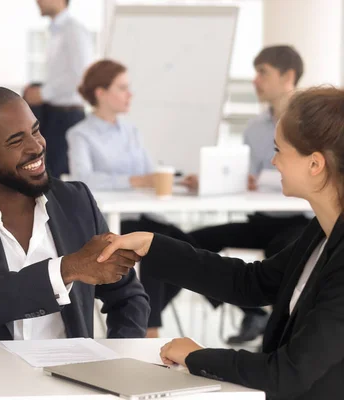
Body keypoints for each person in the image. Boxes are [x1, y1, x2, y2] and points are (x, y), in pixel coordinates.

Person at [99, 87, 344, 400]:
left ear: (315, 164)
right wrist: (154, 244)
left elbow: (287, 373)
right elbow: (250, 282)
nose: (273, 161)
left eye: (279, 150)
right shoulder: (320, 232)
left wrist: (197, 356)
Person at [0, 86, 150, 341]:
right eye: (16, 141)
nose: (36, 146)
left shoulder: (75, 201)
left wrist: (117, 357)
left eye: (35, 130)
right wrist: (67, 269)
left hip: (70, 372)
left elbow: (128, 296)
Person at [184, 45, 310, 344]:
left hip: (298, 222)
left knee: (284, 252)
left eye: (262, 73)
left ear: (288, 76)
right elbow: (247, 178)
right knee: (193, 242)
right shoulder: (254, 128)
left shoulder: (310, 123)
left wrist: (262, 179)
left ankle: (281, 336)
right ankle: (253, 312)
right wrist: (211, 180)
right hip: (260, 220)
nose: (255, 80)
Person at [67, 59, 197, 338]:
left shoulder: (131, 131)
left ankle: (151, 317)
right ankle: (150, 329)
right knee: (151, 249)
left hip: (141, 214)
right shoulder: (80, 135)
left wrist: (176, 179)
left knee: (184, 245)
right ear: (101, 93)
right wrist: (133, 181)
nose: (130, 94)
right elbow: (83, 180)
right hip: (112, 220)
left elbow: (149, 173)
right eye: (122, 88)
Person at [23, 0, 94, 178]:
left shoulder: (74, 30)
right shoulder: (56, 31)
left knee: (59, 179)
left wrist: (43, 93)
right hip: (53, 115)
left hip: (67, 118)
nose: (37, 1)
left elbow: (81, 76)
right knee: (46, 176)